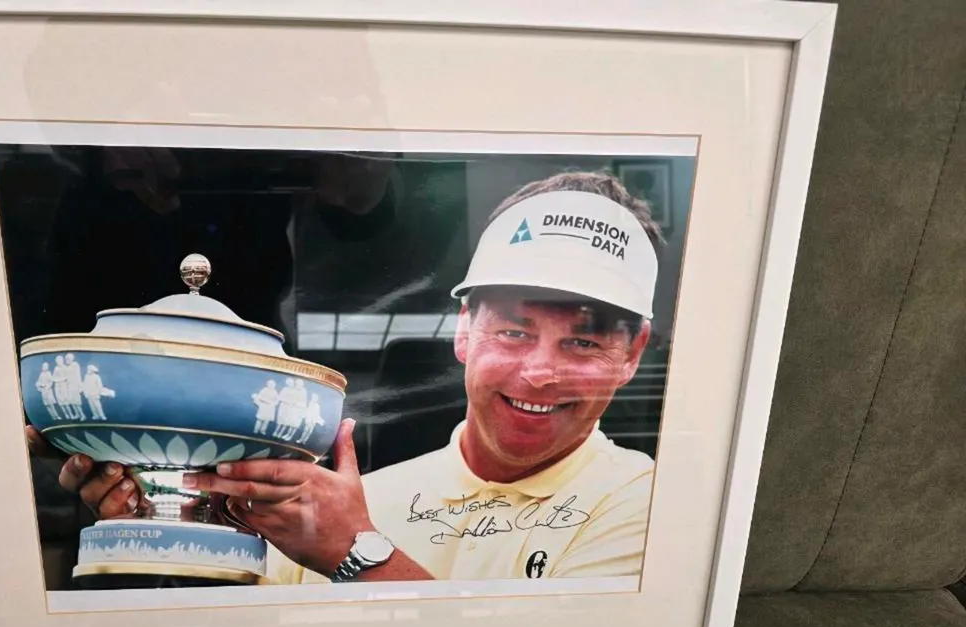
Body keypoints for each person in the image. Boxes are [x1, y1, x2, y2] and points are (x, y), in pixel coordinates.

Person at [36, 170, 665, 584]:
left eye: (582, 341)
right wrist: (159, 502)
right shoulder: (343, 506)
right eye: (514, 331)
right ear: (465, 328)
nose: (539, 373)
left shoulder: (654, 507)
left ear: (633, 353)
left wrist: (355, 553)